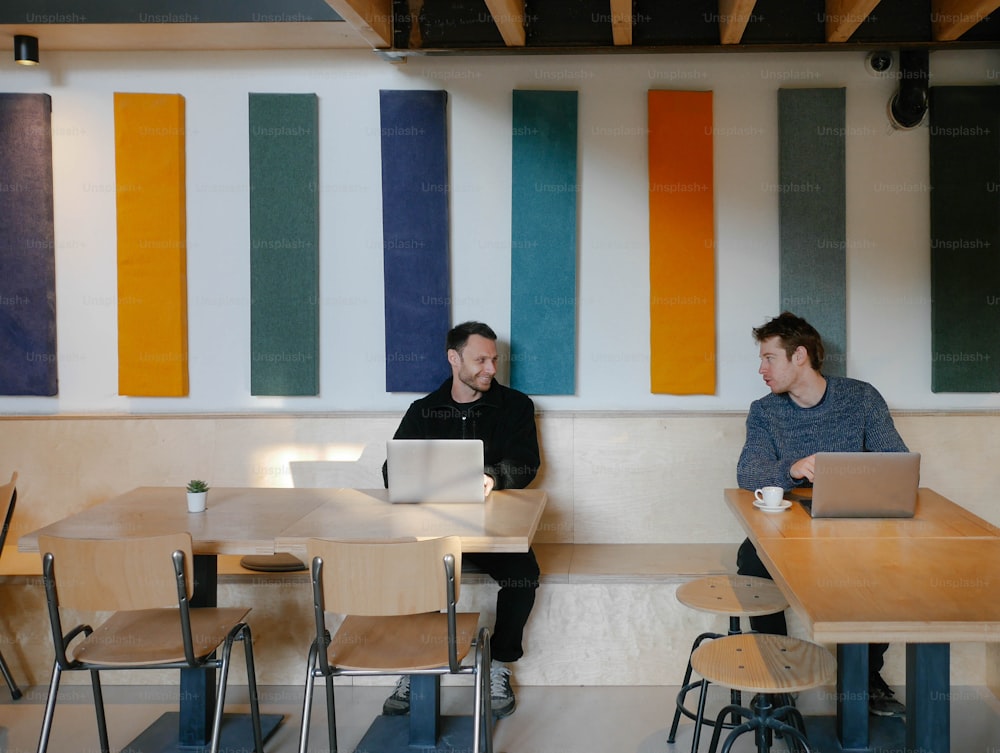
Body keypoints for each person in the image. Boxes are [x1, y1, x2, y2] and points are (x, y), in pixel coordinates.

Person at [735, 312, 908, 719]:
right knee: (750, 561)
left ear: (800, 356)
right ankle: (777, 679)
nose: (761, 369)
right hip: (786, 526)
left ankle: (866, 677)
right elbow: (747, 473)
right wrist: (793, 468)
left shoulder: (861, 398)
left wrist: (848, 475)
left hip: (853, 523)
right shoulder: (764, 411)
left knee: (885, 565)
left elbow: (897, 462)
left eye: (769, 358)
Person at [380, 321, 541, 719]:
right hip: (434, 532)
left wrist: (493, 477)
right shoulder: (423, 410)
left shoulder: (517, 406)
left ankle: (499, 662)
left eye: (494, 359)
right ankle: (418, 667)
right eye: (481, 359)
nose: (490, 368)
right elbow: (391, 471)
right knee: (412, 573)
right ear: (454, 359)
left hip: (493, 532)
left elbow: (526, 465)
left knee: (524, 573)